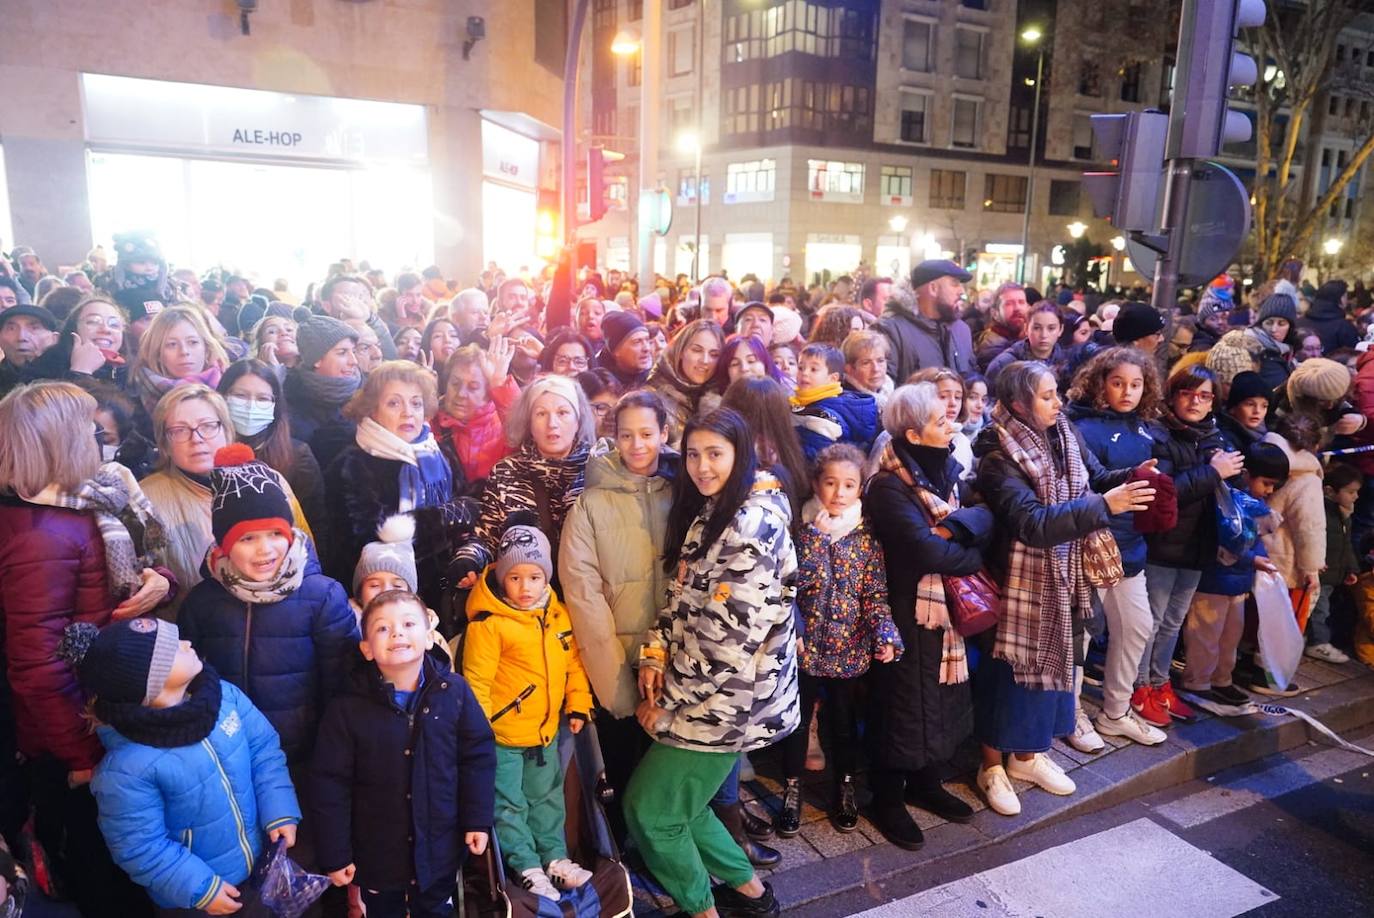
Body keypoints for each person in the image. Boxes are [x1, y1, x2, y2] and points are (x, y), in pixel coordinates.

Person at [0, 381, 173, 917]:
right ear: (50, 443)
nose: (98, 435)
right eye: (85, 427)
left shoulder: (83, 501)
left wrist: (157, 578)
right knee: (105, 874)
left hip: (102, 709)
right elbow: (39, 667)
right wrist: (84, 757)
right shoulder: (40, 532)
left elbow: (122, 574)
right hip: (75, 735)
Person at [627, 408, 795, 918]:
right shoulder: (717, 508)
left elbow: (726, 642)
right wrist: (655, 652)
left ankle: (702, 910)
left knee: (650, 811)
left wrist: (668, 703)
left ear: (741, 455)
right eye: (694, 454)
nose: (701, 467)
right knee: (678, 806)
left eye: (715, 454)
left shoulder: (750, 525)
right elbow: (682, 598)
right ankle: (751, 895)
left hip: (727, 703)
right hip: (712, 695)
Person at [973, 361, 1154, 816]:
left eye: (1057, 393)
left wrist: (1131, 476)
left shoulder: (1062, 433)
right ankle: (991, 766)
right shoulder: (998, 454)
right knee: (1010, 676)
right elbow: (1031, 523)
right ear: (1018, 404)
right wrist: (1102, 504)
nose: (1059, 402)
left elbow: (1093, 479)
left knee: (1051, 674)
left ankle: (1028, 757)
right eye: (1048, 395)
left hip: (1062, 572)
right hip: (1018, 581)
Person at [66, 618, 299, 916]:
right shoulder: (127, 769)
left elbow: (264, 751)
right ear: (150, 684)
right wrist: (199, 887)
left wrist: (279, 809)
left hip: (259, 863)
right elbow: (140, 847)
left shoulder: (223, 697)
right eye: (173, 649)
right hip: (195, 899)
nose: (187, 644)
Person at [311, 590, 496, 918]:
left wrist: (477, 819)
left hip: (440, 849)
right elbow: (329, 784)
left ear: (428, 638)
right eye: (382, 628)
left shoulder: (454, 692)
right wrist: (335, 853)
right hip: (378, 856)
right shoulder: (346, 709)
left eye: (409, 623)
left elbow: (477, 758)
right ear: (366, 649)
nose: (397, 632)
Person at [864, 382, 991, 847]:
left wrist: (955, 530)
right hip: (904, 611)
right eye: (941, 421)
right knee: (903, 706)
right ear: (914, 435)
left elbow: (985, 517)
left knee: (940, 698)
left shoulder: (947, 470)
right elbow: (924, 551)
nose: (952, 425)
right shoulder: (887, 486)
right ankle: (887, 797)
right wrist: (973, 557)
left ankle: (925, 782)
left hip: (941, 612)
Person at [179, 444, 358, 765]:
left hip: (304, 753)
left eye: (275, 533)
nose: (265, 549)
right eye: (247, 538)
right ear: (224, 546)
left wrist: (332, 748)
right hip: (230, 749)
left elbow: (342, 683)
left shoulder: (323, 597)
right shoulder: (202, 603)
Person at [559, 390, 677, 843]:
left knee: (667, 768)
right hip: (619, 659)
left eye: (647, 433)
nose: (638, 444)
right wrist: (615, 683)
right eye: (626, 435)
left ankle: (666, 845)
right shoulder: (591, 504)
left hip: (674, 657)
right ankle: (625, 848)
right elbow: (583, 595)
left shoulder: (682, 492)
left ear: (664, 434)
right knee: (624, 762)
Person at [463, 523, 595, 900]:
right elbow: (477, 682)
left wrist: (579, 702)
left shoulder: (558, 616)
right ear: (502, 578)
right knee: (509, 803)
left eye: (534, 577)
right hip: (502, 737)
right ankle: (525, 865)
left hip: (544, 733)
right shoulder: (489, 625)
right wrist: (479, 732)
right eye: (515, 577)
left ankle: (554, 859)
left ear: (546, 578)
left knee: (547, 798)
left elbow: (573, 665)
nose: (525, 587)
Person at [776, 444, 899, 837]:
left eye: (849, 485)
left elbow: (875, 594)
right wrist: (793, 625)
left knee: (843, 723)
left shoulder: (866, 538)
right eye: (831, 483)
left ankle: (844, 786)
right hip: (805, 647)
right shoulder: (802, 532)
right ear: (817, 484)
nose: (839, 493)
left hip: (849, 649)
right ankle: (791, 789)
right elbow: (789, 585)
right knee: (797, 721)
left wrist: (885, 634)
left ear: (860, 489)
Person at [1065, 348, 1171, 748]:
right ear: (1099, 383)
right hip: (1094, 543)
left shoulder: (1146, 427)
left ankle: (1116, 711)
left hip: (1131, 546)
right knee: (1084, 633)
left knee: (1137, 627)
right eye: (1117, 383)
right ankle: (1072, 713)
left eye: (1136, 384)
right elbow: (1087, 484)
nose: (1127, 392)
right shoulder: (1083, 427)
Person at [324, 360, 479, 612]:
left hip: (448, 590)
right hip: (386, 600)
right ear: (371, 409)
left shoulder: (439, 452)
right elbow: (369, 539)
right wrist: (445, 516)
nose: (408, 412)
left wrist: (467, 556)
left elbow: (470, 511)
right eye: (394, 403)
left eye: (416, 403)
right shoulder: (351, 465)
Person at [141, 385, 311, 615]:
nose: (197, 439)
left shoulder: (270, 480)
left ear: (227, 430)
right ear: (164, 442)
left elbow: (307, 557)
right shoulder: (144, 498)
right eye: (180, 430)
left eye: (208, 426)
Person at [1138, 366, 1242, 724]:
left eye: (1204, 395)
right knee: (1151, 622)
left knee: (1173, 622)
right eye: (1188, 393)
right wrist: (1214, 471)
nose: (1195, 402)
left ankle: (1160, 682)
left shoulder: (1214, 435)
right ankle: (1140, 689)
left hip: (1198, 545)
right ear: (1173, 394)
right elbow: (1166, 491)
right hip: (1163, 544)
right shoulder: (1159, 433)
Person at [448, 375, 596, 592]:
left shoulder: (597, 471)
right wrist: (468, 559)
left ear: (578, 420)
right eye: (541, 414)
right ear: (528, 423)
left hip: (587, 594)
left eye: (563, 413)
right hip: (524, 597)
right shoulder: (507, 471)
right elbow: (488, 536)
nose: (552, 423)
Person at [1183, 444, 1287, 704]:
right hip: (1213, 582)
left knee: (1230, 637)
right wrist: (1253, 559)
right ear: (1247, 473)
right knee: (1205, 636)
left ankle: (1222, 679)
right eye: (1266, 483)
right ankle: (1197, 681)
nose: (1269, 491)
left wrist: (1259, 559)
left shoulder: (1251, 503)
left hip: (1238, 583)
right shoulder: (1225, 500)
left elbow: (1255, 538)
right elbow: (1228, 542)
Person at [1256, 412, 1326, 692]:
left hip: (1262, 555)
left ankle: (1248, 668)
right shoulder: (1307, 478)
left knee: (1258, 617)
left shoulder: (1267, 458)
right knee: (1283, 622)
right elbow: (1309, 527)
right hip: (1289, 564)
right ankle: (1270, 677)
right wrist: (1312, 568)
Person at [219, 359, 325, 533]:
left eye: (262, 398)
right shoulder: (205, 452)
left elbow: (315, 524)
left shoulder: (297, 456)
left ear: (275, 406)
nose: (251, 406)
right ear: (222, 397)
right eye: (240, 396)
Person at [433, 339, 519, 487]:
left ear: (489, 392)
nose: (461, 394)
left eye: (473, 387)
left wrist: (499, 383)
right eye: (455, 383)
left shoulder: (504, 429)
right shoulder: (430, 424)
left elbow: (525, 434)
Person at [283, 315, 363, 470]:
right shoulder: (291, 400)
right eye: (342, 352)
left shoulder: (366, 391)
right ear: (316, 359)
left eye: (353, 351)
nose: (354, 360)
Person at [873, 260, 975, 381]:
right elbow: (881, 389)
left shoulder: (961, 330)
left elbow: (971, 379)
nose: (961, 291)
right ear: (933, 288)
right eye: (955, 284)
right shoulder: (890, 330)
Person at [130, 306, 231, 417]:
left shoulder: (232, 386)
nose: (184, 351)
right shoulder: (134, 404)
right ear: (157, 353)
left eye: (192, 342)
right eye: (172, 344)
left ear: (206, 347)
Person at [790, 343, 878, 461]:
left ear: (833, 378)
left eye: (813, 369)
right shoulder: (805, 403)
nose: (804, 373)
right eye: (801, 368)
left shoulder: (824, 416)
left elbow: (812, 458)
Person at [1310, 462, 1361, 663]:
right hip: (1321, 572)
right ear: (1330, 491)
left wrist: (1351, 568)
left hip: (1334, 574)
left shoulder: (1344, 515)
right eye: (1351, 492)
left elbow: (1346, 543)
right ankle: (1318, 643)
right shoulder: (1322, 512)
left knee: (1322, 608)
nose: (1355, 497)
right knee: (1319, 610)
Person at [646, 319, 724, 448]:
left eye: (714, 354)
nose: (705, 360)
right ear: (681, 351)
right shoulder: (651, 398)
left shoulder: (721, 395)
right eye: (697, 350)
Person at [985, 302, 1081, 388]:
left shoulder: (1069, 363)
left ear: (1060, 330)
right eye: (1036, 328)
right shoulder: (1003, 364)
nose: (1044, 335)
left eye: (1051, 328)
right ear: (1026, 328)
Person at [974, 282, 1030, 371]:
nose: (1017, 308)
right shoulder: (991, 347)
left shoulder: (1019, 336)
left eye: (1021, 302)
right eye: (1009, 304)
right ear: (995, 313)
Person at [1251, 293, 1298, 393]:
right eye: (1269, 322)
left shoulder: (1286, 351)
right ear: (1261, 324)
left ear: (1290, 327)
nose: (1274, 329)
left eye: (1281, 323)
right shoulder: (1256, 352)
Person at [1216, 371, 1271, 455]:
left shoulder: (1269, 433)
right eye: (1250, 404)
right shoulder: (1224, 439)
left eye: (1264, 406)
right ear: (1233, 407)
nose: (1257, 411)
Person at [598, 312, 655, 389]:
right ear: (616, 351)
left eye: (647, 340)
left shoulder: (658, 376)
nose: (646, 348)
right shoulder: (600, 384)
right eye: (637, 342)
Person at [1298, 280, 1358, 353]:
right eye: (1345, 296)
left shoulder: (1298, 322)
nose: (1347, 300)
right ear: (1341, 299)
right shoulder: (1344, 327)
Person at [841, 329, 893, 411]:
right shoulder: (846, 404)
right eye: (866, 363)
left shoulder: (891, 392)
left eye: (880, 361)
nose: (876, 369)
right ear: (849, 369)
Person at [715, 334, 784, 390]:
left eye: (751, 361)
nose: (744, 368)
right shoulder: (716, 406)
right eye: (735, 364)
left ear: (765, 366)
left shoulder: (790, 402)